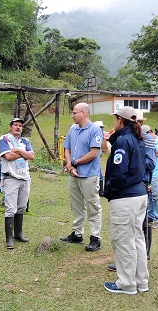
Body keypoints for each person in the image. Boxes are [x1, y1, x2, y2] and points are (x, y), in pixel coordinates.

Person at [103, 106, 149, 295]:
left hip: (126, 197)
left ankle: (127, 283)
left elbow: (119, 172)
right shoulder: (138, 139)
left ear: (120, 121)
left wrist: (111, 191)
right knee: (137, 238)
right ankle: (141, 281)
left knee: (123, 240)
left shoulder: (123, 141)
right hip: (139, 194)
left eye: (115, 119)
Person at [60, 102, 104, 252]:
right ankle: (77, 234)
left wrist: (75, 163)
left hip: (89, 175)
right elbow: (67, 148)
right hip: (74, 174)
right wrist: (70, 166)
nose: (72, 115)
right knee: (77, 205)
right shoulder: (73, 129)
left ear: (84, 113)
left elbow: (94, 153)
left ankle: (95, 237)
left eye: (74, 113)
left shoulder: (95, 130)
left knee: (93, 206)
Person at [0, 118, 35, 249]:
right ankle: (9, 238)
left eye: (20, 125)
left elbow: (31, 156)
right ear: (10, 127)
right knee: (10, 208)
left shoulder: (26, 141)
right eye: (15, 125)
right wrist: (24, 153)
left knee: (21, 206)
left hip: (24, 178)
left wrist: (17, 150)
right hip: (11, 178)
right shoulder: (4, 139)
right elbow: (7, 157)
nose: (18, 127)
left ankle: (18, 234)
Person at [143, 125, 158, 230]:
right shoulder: (146, 143)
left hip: (157, 174)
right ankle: (150, 216)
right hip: (148, 173)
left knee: (157, 197)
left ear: (149, 132)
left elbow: (157, 153)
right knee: (150, 197)